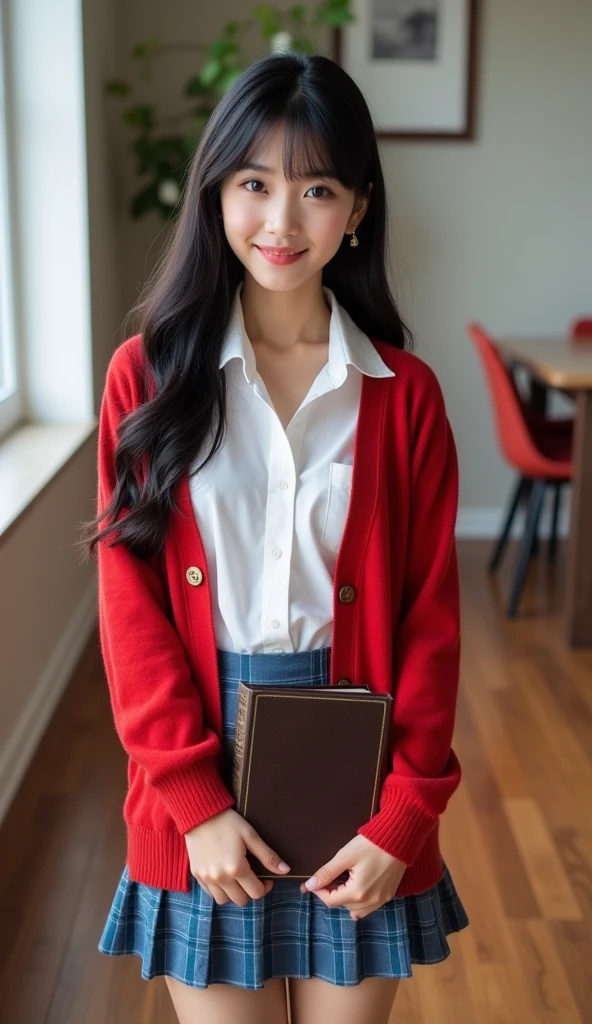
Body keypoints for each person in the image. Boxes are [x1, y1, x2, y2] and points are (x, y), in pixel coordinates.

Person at [80, 50, 469, 1024]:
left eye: (317, 188)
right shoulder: (148, 378)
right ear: (216, 192)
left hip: (363, 789)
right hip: (199, 784)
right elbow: (129, 609)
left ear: (358, 209)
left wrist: (406, 813)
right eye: (254, 183)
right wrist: (193, 801)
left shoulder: (405, 397)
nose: (282, 220)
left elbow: (430, 619)